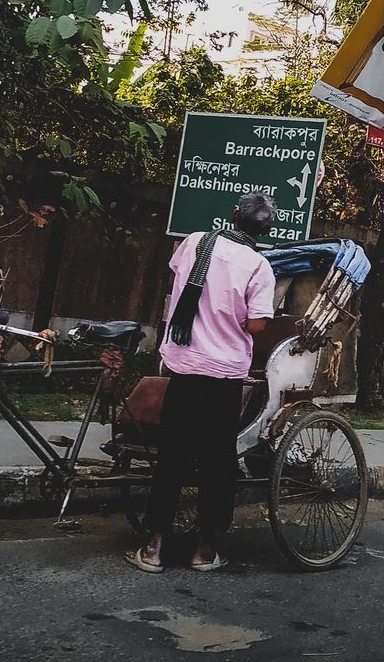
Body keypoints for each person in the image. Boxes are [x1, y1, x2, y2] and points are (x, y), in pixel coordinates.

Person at [124, 192, 277, 573]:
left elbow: (180, 281)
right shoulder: (260, 266)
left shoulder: (194, 242)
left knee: (171, 457)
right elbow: (257, 325)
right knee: (218, 462)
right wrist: (233, 319)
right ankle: (205, 551)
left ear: (233, 215)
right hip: (224, 376)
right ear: (266, 229)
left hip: (185, 367)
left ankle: (155, 549)